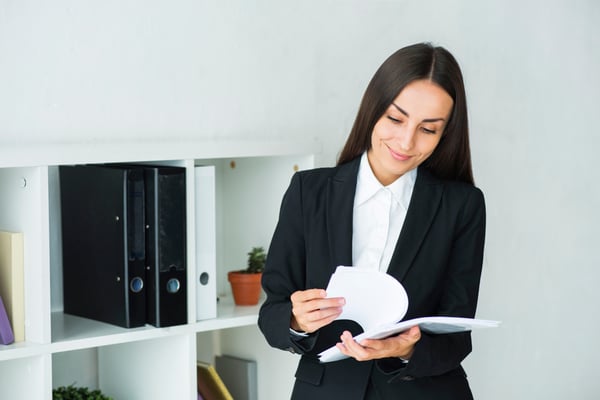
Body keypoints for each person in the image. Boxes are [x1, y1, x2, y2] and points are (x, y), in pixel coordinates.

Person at [258, 42, 486, 400]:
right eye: (396, 119)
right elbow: (271, 314)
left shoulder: (462, 205)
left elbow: (456, 338)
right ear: (373, 110)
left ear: (445, 134)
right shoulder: (309, 192)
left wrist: (405, 350)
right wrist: (297, 320)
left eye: (428, 129)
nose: (406, 141)